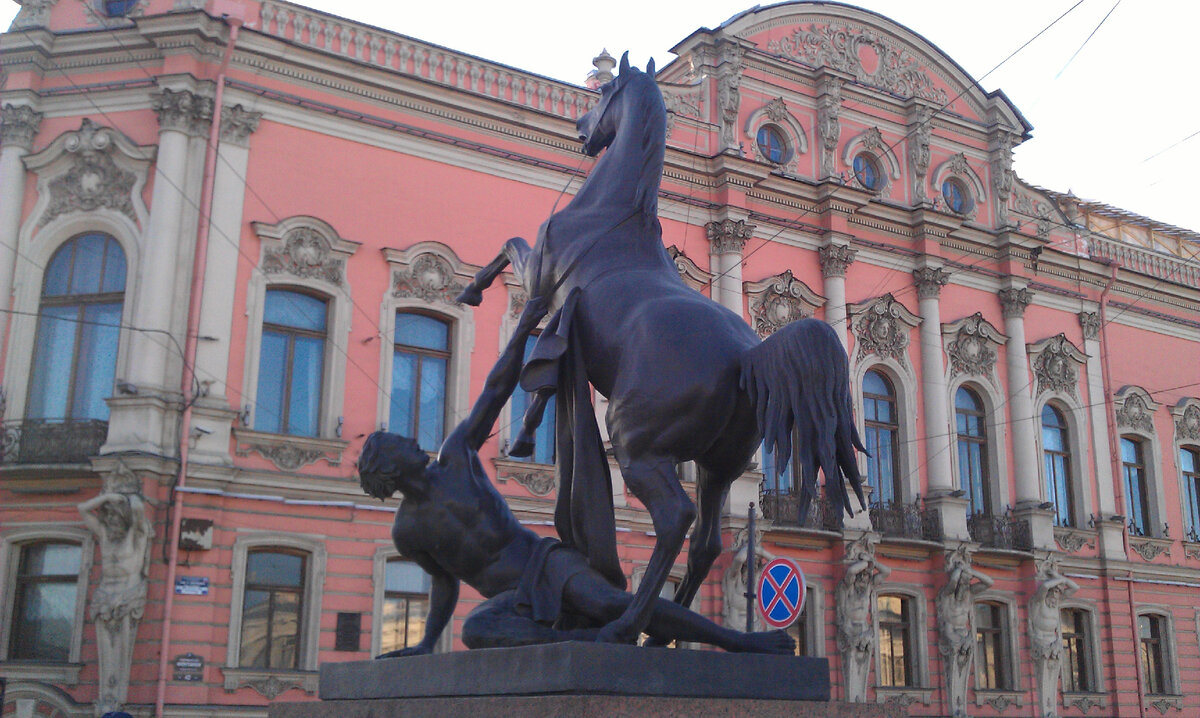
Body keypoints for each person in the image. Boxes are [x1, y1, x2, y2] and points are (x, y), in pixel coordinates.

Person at [358, 298, 793, 656]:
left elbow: (495, 391)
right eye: (397, 442)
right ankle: (589, 643)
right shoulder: (408, 531)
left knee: (612, 604)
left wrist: (523, 329)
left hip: (543, 564)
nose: (410, 439)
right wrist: (427, 643)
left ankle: (739, 641)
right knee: (477, 631)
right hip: (511, 600)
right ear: (387, 468)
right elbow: (443, 584)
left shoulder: (454, 457)